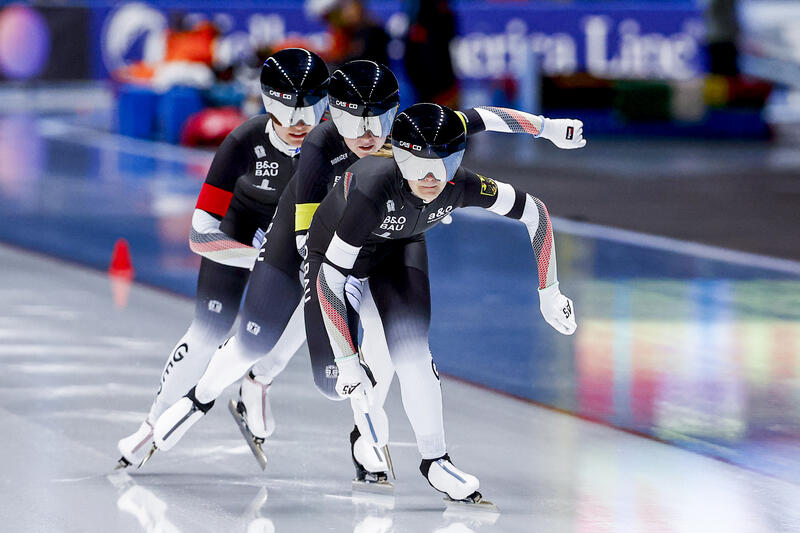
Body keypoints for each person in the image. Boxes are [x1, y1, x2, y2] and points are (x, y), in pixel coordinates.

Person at [150, 63, 586, 486]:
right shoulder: (320, 145)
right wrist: (345, 341)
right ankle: (213, 393)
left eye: (380, 121)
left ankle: (391, 446)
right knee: (272, 344)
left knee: (401, 344)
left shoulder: (419, 135)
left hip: (389, 237)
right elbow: (311, 250)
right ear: (331, 115)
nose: (368, 135)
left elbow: (487, 118)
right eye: (353, 123)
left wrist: (548, 129)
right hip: (315, 239)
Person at [302, 103, 580, 504]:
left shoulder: (459, 183)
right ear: (398, 154)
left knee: (412, 354)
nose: (431, 177)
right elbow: (331, 279)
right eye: (417, 164)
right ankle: (364, 430)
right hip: (334, 260)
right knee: (338, 379)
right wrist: (346, 362)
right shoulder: (373, 189)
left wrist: (549, 292)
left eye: (444, 162)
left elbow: (534, 211)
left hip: (397, 250)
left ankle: (435, 460)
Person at [115, 48, 330, 469]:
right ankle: (151, 423)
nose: (300, 121)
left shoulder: (337, 146)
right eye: (288, 108)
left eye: (312, 108)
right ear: (268, 102)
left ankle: (259, 379)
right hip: (241, 232)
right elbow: (199, 234)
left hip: (300, 239)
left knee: (321, 296)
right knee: (206, 334)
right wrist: (262, 258)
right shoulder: (242, 142)